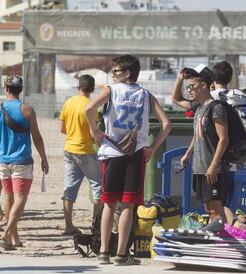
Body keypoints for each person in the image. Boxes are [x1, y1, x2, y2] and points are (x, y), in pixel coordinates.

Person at [85, 54, 171, 265]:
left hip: (112, 151)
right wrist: (152, 148)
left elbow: (88, 109)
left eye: (116, 71)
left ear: (127, 73)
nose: (112, 75)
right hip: (135, 154)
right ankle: (122, 253)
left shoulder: (111, 90)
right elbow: (166, 124)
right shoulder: (146, 95)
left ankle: (104, 251)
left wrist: (95, 131)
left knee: (108, 203)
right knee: (128, 206)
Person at [172, 62, 235, 223]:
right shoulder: (198, 108)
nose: (189, 90)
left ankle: (220, 243)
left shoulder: (216, 108)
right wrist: (188, 154)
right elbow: (176, 99)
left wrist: (214, 166)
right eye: (188, 87)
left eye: (192, 86)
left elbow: (224, 138)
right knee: (209, 208)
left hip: (213, 168)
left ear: (204, 86)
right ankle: (219, 239)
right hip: (200, 167)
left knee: (215, 209)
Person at [0, 75, 49, 250]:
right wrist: (44, 157)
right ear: (21, 90)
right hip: (22, 161)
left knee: (8, 196)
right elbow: (36, 137)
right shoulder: (27, 110)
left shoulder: (0, 108)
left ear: (6, 88)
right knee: (21, 198)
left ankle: (15, 239)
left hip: (3, 160)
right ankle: (6, 234)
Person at [59, 74, 102, 236]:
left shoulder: (68, 103)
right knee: (98, 187)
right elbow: (93, 134)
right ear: (92, 89)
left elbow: (62, 129)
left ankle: (68, 226)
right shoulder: (91, 106)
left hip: (69, 149)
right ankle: (95, 225)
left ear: (79, 87)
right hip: (86, 151)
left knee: (69, 189)